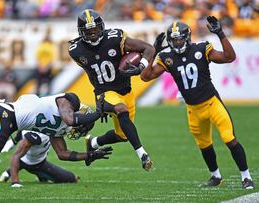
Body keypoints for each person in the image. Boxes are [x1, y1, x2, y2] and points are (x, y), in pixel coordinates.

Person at [141, 16, 254, 189]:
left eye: (180, 39)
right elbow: (146, 76)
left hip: (211, 103)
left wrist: (220, 34)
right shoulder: (166, 57)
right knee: (204, 145)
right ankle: (216, 176)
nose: (177, 43)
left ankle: (246, 177)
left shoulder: (202, 48)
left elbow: (229, 57)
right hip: (193, 109)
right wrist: (154, 51)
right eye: (174, 40)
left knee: (229, 139)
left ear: (187, 38)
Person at [68, 9, 155, 169]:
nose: (93, 34)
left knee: (123, 135)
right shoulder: (76, 50)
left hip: (126, 90)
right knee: (121, 110)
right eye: (89, 31)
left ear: (102, 27)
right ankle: (143, 154)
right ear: (81, 33)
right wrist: (102, 102)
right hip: (105, 92)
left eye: (95, 30)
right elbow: (91, 73)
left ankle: (93, 142)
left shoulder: (116, 38)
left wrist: (140, 67)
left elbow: (149, 48)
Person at [35, 28, 55, 96]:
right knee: (43, 83)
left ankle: (41, 94)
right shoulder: (49, 46)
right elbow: (51, 57)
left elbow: (38, 57)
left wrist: (41, 66)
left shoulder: (43, 46)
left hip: (43, 66)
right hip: (45, 67)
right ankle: (45, 94)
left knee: (41, 83)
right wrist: (44, 66)